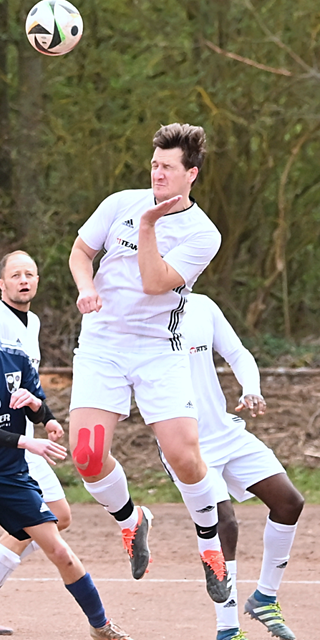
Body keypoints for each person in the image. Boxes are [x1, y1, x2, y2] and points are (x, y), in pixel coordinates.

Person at [68, 122, 231, 603]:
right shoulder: (120, 202)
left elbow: (155, 282)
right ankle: (131, 519)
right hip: (103, 344)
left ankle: (210, 548)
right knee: (87, 456)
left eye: (168, 168)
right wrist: (86, 288)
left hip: (159, 349)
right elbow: (80, 252)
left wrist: (148, 226)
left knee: (183, 455)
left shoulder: (203, 233)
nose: (158, 174)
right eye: (155, 165)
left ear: (191, 174)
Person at [0, 281, 137, 640]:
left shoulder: (17, 359)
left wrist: (47, 417)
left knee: (59, 550)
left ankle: (101, 625)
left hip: (9, 474)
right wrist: (28, 442)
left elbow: (37, 404)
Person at [157, 293, 304, 640]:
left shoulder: (203, 305)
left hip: (225, 431)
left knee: (289, 502)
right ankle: (227, 632)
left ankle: (265, 597)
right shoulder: (140, 310)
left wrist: (251, 388)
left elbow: (238, 354)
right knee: (224, 523)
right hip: (185, 443)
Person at [0, 251, 72, 635]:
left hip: (26, 439)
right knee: (44, 521)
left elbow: (27, 382)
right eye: (15, 275)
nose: (24, 280)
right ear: (1, 284)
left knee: (58, 517)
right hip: (7, 444)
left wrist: (47, 417)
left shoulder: (33, 321)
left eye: (30, 274)